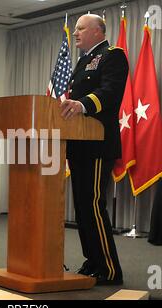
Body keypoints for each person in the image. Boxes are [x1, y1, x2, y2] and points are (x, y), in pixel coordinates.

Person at [60, 14, 129, 285]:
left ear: (98, 31)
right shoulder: (82, 60)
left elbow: (110, 92)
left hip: (98, 144)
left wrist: (82, 105)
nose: (75, 33)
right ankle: (93, 262)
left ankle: (110, 269)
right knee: (82, 208)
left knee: (93, 205)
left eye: (80, 28)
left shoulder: (113, 55)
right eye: (75, 29)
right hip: (78, 144)